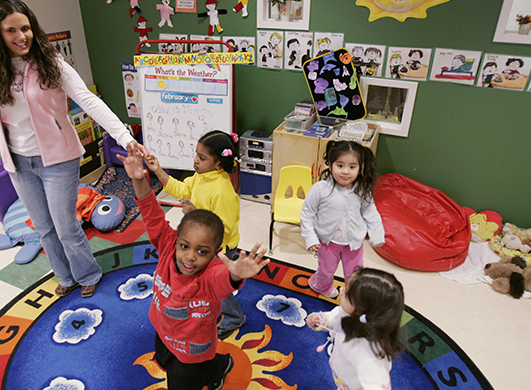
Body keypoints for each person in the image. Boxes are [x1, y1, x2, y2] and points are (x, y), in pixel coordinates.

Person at [0, 0, 147, 297]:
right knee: (43, 227)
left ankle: (87, 273)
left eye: (25, 28)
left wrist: (125, 137)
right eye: (11, 30)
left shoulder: (49, 62)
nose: (21, 36)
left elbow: (88, 101)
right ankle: (65, 277)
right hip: (19, 162)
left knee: (65, 225)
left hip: (57, 159)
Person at [119, 142, 269, 390]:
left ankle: (215, 367)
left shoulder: (210, 274)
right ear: (175, 239)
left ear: (214, 253)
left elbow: (222, 279)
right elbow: (152, 212)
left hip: (194, 351)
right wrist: (138, 179)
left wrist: (235, 275)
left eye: (202, 252)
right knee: (165, 362)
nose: (190, 257)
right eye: (185, 246)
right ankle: (221, 365)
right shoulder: (167, 246)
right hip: (164, 331)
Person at [144, 130, 245, 339]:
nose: (195, 161)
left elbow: (224, 230)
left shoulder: (222, 191)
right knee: (203, 282)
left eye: (202, 157)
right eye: (196, 154)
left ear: (218, 164)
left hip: (220, 249)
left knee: (218, 287)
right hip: (203, 246)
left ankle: (235, 318)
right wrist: (158, 170)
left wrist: (195, 214)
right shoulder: (201, 177)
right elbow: (181, 188)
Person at [300, 140, 385, 298]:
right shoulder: (321, 189)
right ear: (330, 164)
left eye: (352, 167)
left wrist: (377, 234)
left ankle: (352, 293)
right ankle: (321, 287)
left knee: (354, 273)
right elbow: (307, 213)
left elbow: (370, 210)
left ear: (360, 168)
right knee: (326, 270)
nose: (346, 172)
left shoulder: (362, 189)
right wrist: (310, 238)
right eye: (340, 166)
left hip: (353, 243)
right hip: (328, 242)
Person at [306, 267, 405, 390]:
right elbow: (335, 317)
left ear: (362, 309)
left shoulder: (369, 356)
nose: (341, 289)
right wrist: (321, 319)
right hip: (343, 378)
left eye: (347, 292)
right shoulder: (348, 313)